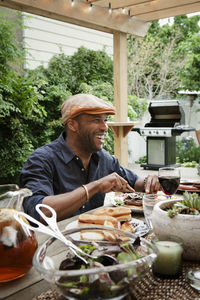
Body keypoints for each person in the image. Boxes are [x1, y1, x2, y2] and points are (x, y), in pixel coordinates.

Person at [20, 94, 160, 221]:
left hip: (96, 241)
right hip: (53, 245)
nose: (105, 127)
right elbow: (37, 211)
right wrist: (95, 187)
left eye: (105, 120)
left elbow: (135, 183)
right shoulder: (42, 159)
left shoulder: (104, 159)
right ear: (72, 125)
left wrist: (150, 181)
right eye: (96, 120)